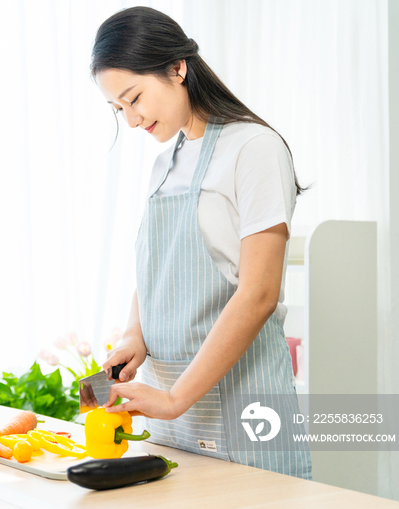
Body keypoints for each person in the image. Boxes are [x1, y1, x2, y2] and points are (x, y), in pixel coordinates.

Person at [92, 7, 312, 480]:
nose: (131, 120)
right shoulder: (164, 163)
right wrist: (136, 334)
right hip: (171, 417)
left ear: (177, 68)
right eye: (119, 109)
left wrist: (175, 398)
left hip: (244, 407)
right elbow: (157, 269)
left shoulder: (253, 148)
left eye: (134, 98)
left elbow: (258, 294)